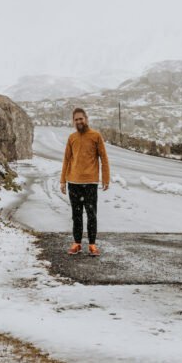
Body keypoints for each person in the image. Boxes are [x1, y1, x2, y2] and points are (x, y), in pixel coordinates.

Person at [60, 107, 110, 256]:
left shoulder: (96, 136)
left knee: (91, 214)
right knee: (76, 215)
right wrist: (63, 180)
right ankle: (76, 244)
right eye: (76, 119)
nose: (79, 121)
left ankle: (92, 245)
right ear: (73, 121)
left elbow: (104, 158)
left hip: (90, 182)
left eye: (81, 118)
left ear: (86, 119)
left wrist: (105, 178)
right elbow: (66, 160)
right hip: (73, 183)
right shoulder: (72, 138)